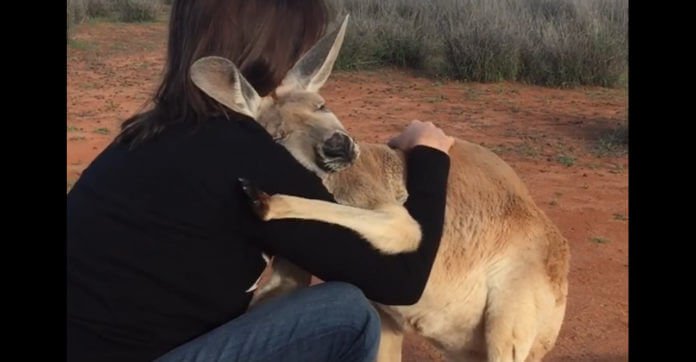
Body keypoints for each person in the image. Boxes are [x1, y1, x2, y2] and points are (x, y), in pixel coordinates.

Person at [66, 1, 455, 361]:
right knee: (348, 315)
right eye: (295, 47)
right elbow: (402, 279)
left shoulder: (143, 134)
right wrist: (430, 157)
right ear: (273, 53)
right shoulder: (245, 155)